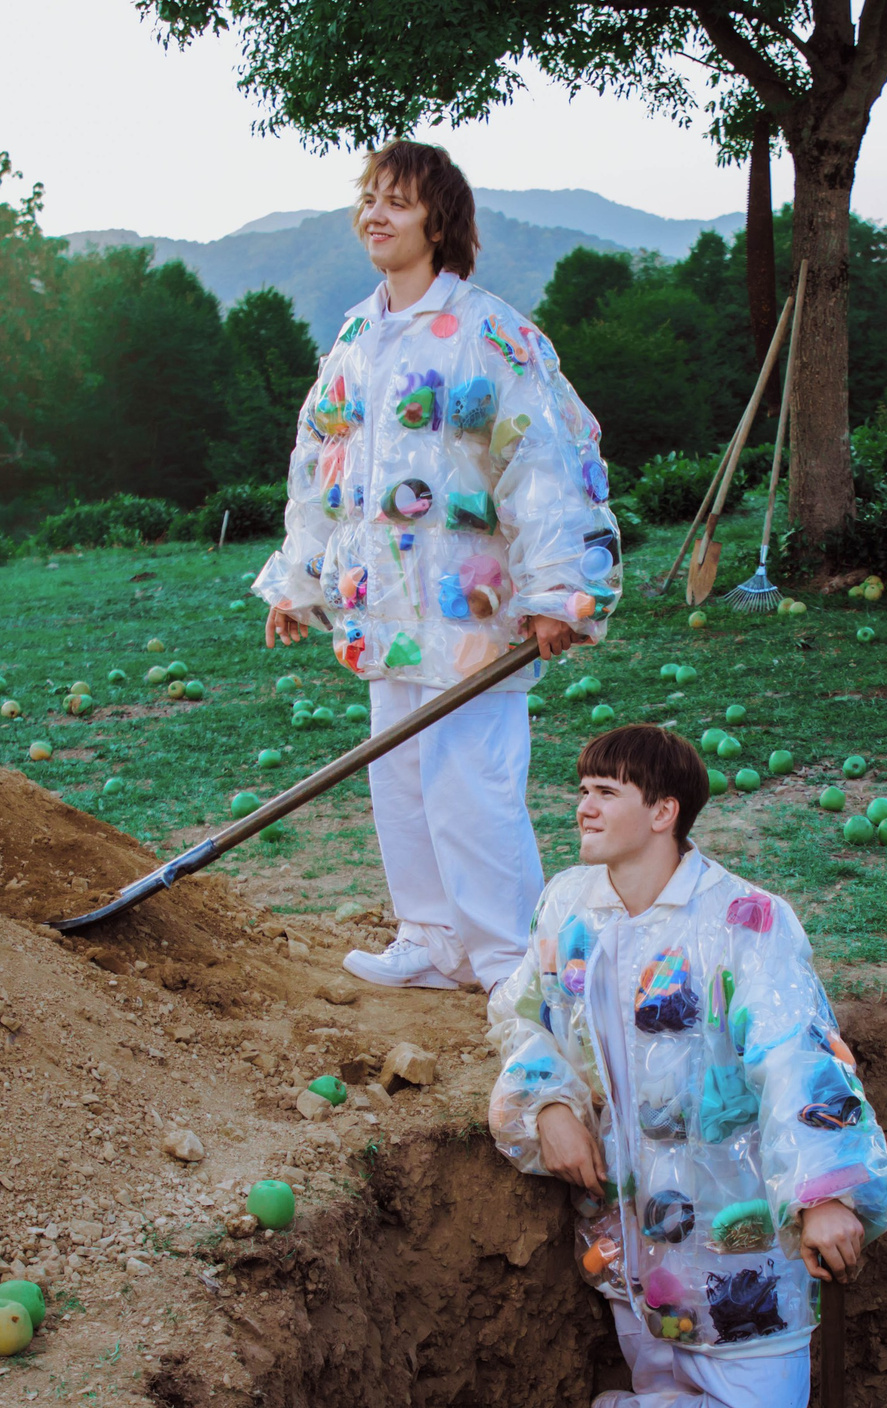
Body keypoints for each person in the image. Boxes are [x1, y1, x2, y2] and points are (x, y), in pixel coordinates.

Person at [484, 725, 887, 1408]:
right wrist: (544, 1100)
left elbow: (798, 1050)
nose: (581, 807)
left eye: (604, 792)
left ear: (662, 813)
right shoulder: (566, 908)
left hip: (739, 1246)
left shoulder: (745, 921)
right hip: (631, 1249)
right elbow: (521, 1013)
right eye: (580, 789)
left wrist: (826, 1191)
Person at [256, 139, 622, 993]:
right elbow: (321, 467)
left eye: (399, 201)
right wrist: (300, 578)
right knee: (403, 780)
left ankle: (505, 962)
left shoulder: (491, 335)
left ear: (439, 220)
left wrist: (558, 589)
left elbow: (547, 462)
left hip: (472, 613)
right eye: (370, 198)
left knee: (474, 790)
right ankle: (429, 937)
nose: (376, 215)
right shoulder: (355, 337)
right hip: (382, 606)